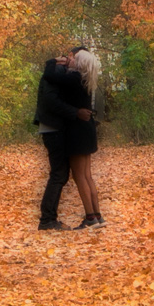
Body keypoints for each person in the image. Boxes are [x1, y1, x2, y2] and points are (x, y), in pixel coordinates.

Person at [34, 52, 93, 231]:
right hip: (53, 129)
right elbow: (51, 101)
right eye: (72, 57)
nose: (72, 60)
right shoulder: (55, 73)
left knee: (60, 174)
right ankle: (47, 220)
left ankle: (49, 218)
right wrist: (76, 113)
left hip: (56, 128)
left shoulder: (61, 73)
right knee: (59, 174)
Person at [60, 48, 103, 229]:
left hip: (76, 131)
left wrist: (59, 64)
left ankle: (90, 217)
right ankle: (97, 215)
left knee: (79, 176)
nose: (71, 60)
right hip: (87, 130)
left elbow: (55, 80)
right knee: (87, 176)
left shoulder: (73, 80)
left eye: (75, 59)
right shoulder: (87, 82)